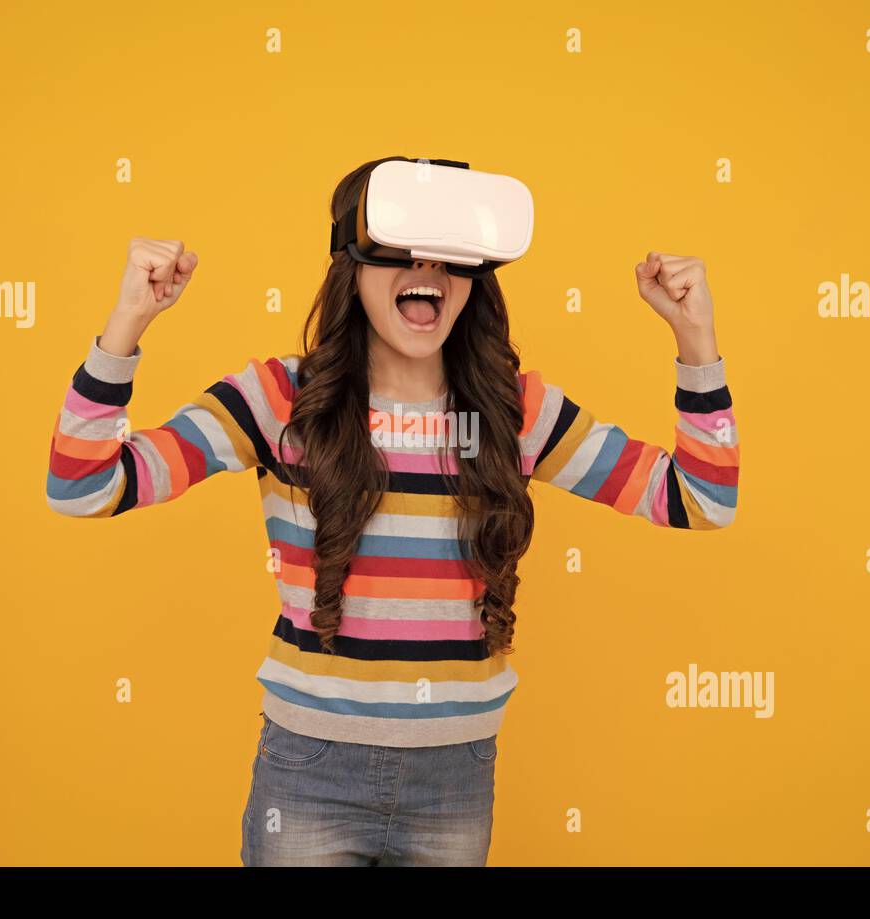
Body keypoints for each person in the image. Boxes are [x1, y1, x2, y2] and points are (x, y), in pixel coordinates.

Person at [45, 156, 740, 866]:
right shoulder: (280, 400)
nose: (428, 271)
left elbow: (700, 500)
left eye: (452, 258)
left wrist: (696, 342)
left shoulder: (513, 413)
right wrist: (128, 322)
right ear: (352, 262)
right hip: (309, 771)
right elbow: (84, 485)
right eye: (402, 250)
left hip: (456, 776)